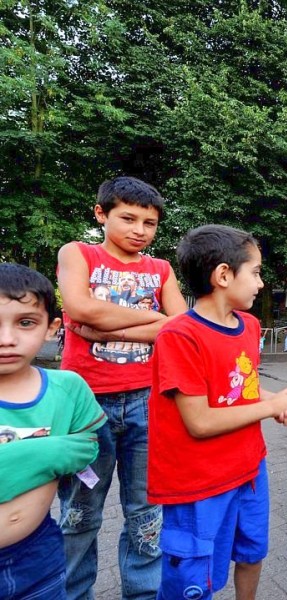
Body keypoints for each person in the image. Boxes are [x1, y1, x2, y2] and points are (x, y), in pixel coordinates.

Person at [148, 224, 287, 600]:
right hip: (198, 484)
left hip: (249, 471)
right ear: (222, 275)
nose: (261, 283)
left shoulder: (248, 326)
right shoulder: (180, 336)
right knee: (192, 579)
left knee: (252, 552)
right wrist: (269, 406)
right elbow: (199, 421)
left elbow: (241, 391)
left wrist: (273, 403)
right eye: (255, 272)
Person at [56, 176, 188, 600]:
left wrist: (101, 328)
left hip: (148, 404)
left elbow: (183, 327)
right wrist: (154, 323)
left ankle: (143, 594)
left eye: (149, 223)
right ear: (101, 214)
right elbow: (78, 307)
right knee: (80, 513)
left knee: (146, 512)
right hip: (84, 406)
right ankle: (73, 594)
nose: (139, 230)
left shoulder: (161, 269)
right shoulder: (78, 254)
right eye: (128, 218)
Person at [0, 263, 107, 599]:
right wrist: (49, 451)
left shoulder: (68, 387)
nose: (7, 339)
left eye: (26, 322)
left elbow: (89, 447)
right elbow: (68, 452)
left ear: (51, 327)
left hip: (38, 555)